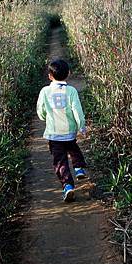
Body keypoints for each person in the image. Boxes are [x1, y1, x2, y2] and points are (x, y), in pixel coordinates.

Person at [36, 59, 87, 202]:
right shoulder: (71, 91)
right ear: (68, 74)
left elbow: (40, 110)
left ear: (50, 76)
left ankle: (68, 186)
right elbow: (77, 111)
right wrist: (81, 126)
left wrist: (44, 117)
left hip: (54, 134)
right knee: (73, 149)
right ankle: (79, 168)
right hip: (69, 132)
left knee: (60, 161)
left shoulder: (45, 91)